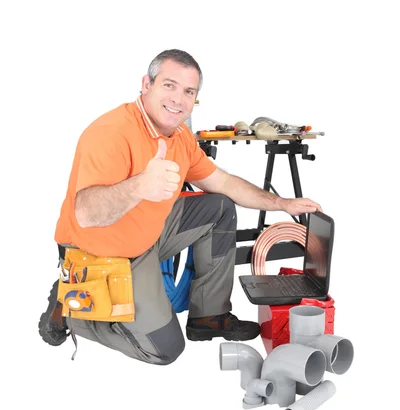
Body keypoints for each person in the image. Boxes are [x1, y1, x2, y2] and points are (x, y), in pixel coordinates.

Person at [39, 49, 322, 365]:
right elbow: (85, 214)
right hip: (103, 250)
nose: (178, 99)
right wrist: (140, 186)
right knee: (164, 349)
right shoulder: (110, 133)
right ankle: (73, 311)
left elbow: (223, 183)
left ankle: (209, 316)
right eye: (169, 86)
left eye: (189, 92)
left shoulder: (180, 137)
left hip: (147, 233)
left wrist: (281, 203)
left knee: (218, 207)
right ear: (146, 84)